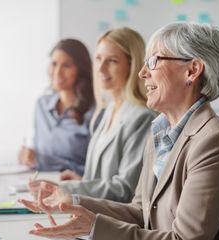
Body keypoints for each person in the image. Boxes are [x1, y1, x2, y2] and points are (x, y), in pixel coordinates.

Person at [19, 22, 219, 240]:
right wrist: (73, 201)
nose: (142, 74)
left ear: (192, 70)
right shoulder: (160, 130)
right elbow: (141, 212)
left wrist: (94, 227)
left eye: (154, 61)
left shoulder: (215, 142)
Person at [29, 27, 156, 203]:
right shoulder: (109, 109)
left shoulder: (142, 117)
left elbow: (125, 190)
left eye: (112, 61)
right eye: (98, 59)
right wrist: (82, 182)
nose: (101, 68)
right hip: (91, 213)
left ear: (132, 65)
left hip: (115, 223)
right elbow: (102, 178)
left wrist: (64, 188)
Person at [18, 39, 95, 175]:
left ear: (81, 69)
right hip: (40, 183)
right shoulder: (41, 105)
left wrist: (43, 161)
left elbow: (96, 170)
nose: (57, 72)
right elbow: (41, 152)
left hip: (74, 188)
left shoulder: (94, 112)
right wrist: (30, 156)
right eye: (54, 64)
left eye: (66, 65)